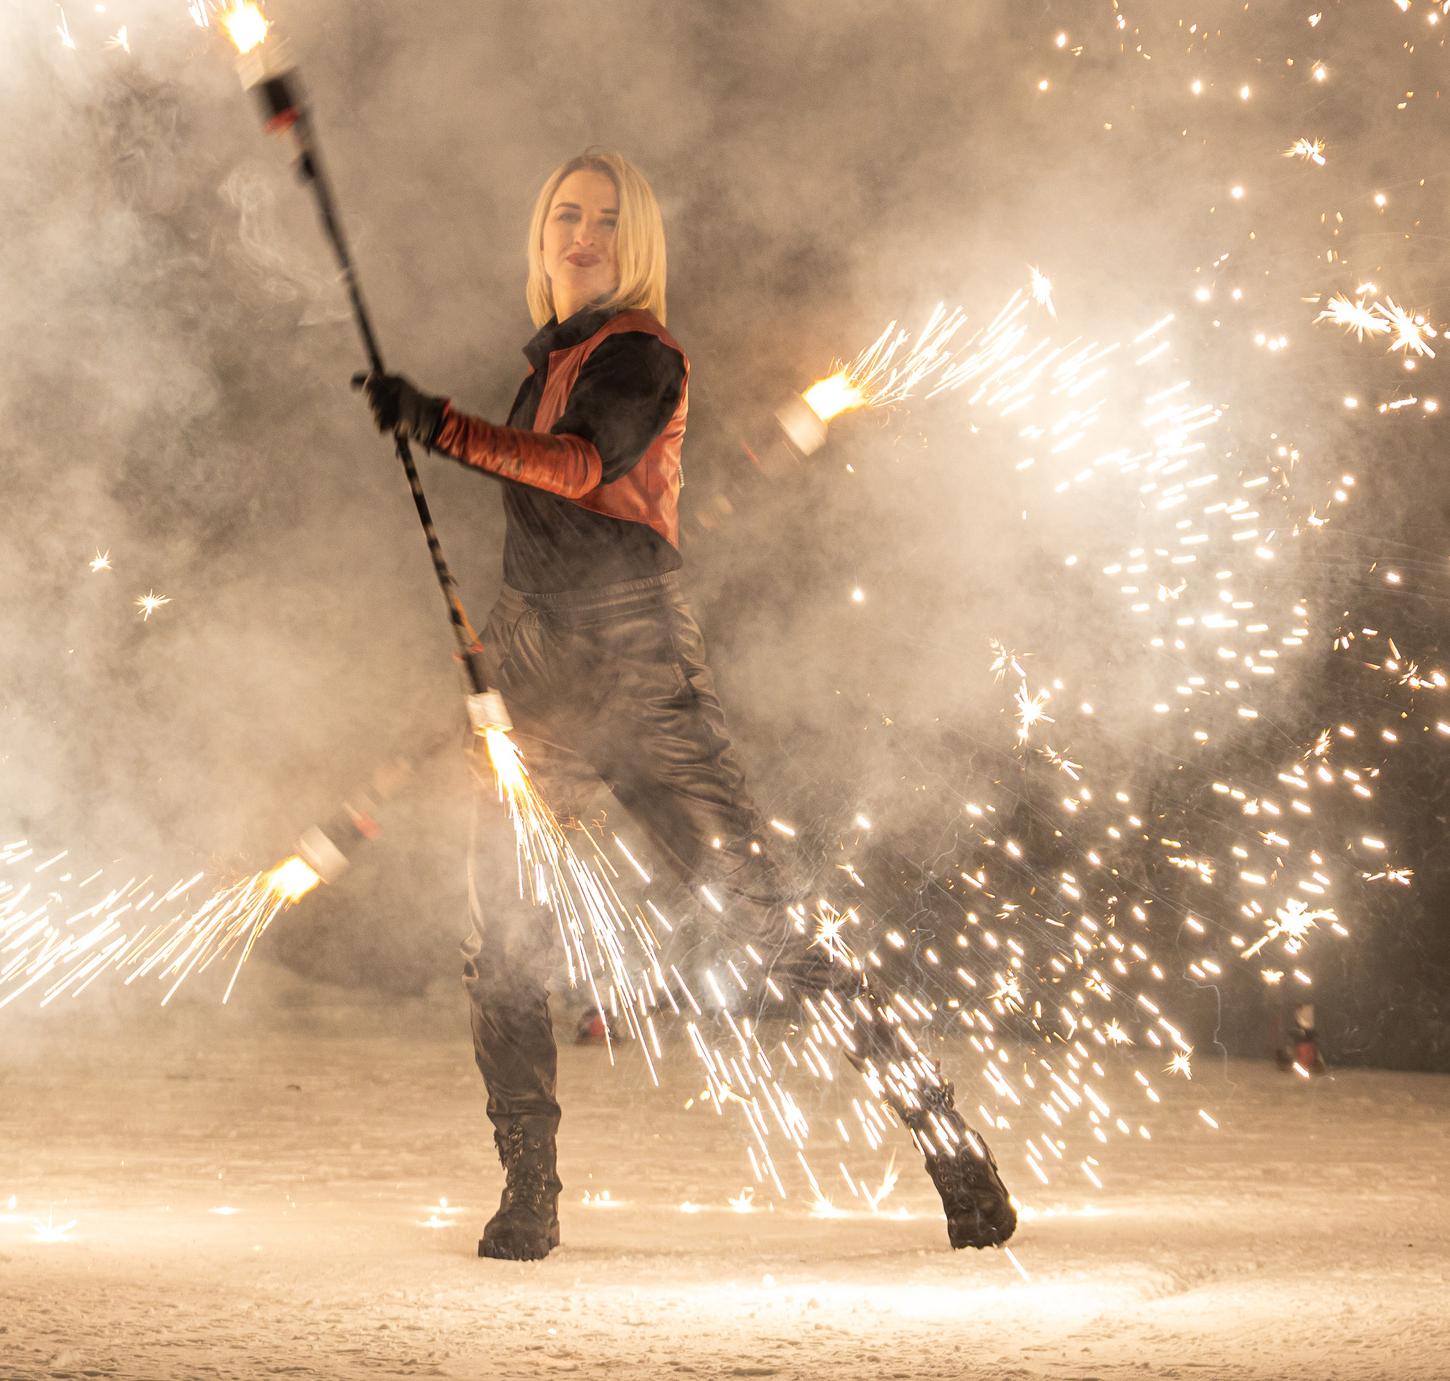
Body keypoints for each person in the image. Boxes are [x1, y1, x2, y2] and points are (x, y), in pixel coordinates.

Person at [363, 148, 1016, 1261]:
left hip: (645, 676)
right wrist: (508, 628)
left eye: (606, 221)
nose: (582, 235)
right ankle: (530, 1190)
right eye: (564, 215)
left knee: (763, 925)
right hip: (538, 680)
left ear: (638, 243)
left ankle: (949, 1140)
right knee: (505, 950)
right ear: (539, 237)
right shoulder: (549, 360)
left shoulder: (641, 356)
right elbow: (554, 521)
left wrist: (438, 424)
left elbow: (573, 470)